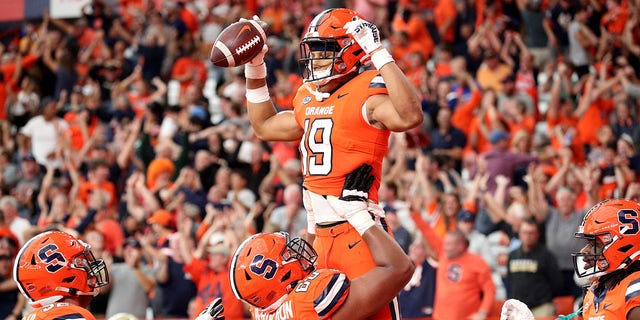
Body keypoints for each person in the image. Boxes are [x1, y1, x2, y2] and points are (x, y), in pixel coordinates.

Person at [242, 9, 423, 319]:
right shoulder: (308, 95)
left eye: (323, 50)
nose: (315, 59)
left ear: (352, 49)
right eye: (312, 50)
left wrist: (378, 52)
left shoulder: (368, 88)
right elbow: (265, 125)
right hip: (318, 237)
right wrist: (255, 65)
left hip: (359, 231)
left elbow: (409, 115)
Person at [228, 164, 414, 319]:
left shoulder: (262, 307)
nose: (294, 250)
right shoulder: (310, 305)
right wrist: (357, 213)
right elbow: (400, 269)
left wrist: (312, 220)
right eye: (287, 254)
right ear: (282, 279)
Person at [501, 199, 640, 320]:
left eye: (594, 244)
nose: (585, 251)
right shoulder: (596, 289)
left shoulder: (634, 289)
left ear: (624, 245)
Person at [12, 230, 109, 320]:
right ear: (63, 275)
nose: (88, 267)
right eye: (80, 262)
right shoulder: (71, 315)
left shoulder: (32, 316)